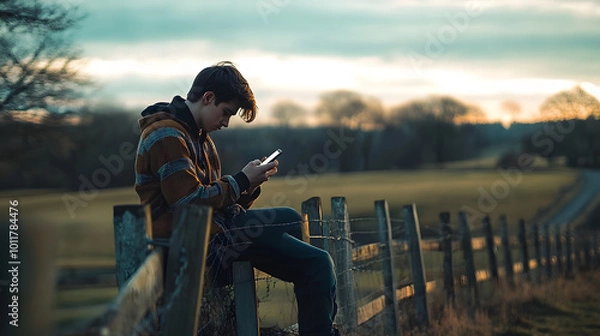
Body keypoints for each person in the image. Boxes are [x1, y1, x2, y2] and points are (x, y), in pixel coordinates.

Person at [134, 61, 339, 336]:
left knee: (291, 221)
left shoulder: (201, 138)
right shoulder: (166, 134)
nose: (226, 123)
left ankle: (310, 293)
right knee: (316, 263)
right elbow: (188, 203)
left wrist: (250, 186)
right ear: (208, 98)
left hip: (211, 235)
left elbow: (218, 203)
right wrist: (241, 179)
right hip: (186, 246)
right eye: (226, 112)